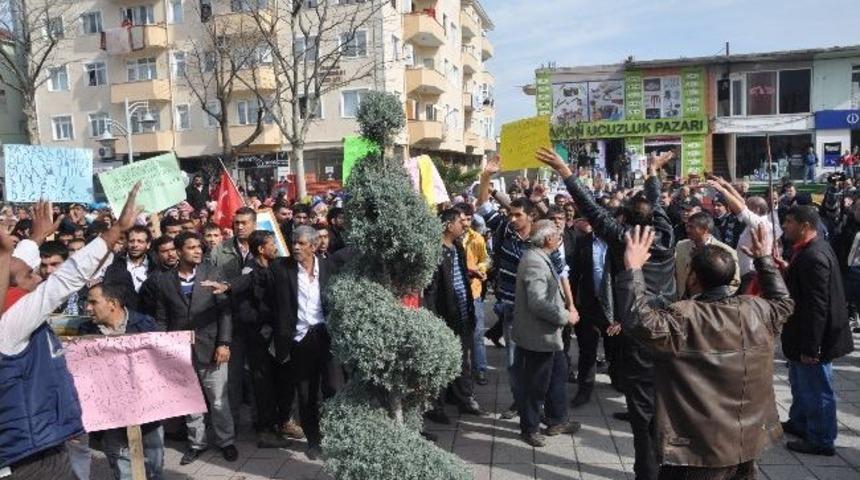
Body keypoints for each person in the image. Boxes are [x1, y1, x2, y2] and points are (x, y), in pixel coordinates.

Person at [537, 147, 677, 480]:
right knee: (661, 400)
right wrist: (653, 172)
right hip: (670, 326)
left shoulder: (624, 239)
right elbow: (656, 204)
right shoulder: (668, 234)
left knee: (644, 414)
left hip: (640, 327)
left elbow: (592, 208)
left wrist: (565, 171)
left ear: (625, 220)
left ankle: (648, 471)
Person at [617, 224, 794, 479]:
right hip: (745, 444)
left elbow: (637, 320)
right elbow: (783, 302)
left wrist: (633, 268)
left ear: (693, 278)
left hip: (699, 451)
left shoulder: (684, 317)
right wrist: (764, 260)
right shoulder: (758, 310)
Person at [0, 187, 140, 479]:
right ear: (12, 290)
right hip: (29, 458)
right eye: (31, 275)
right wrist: (117, 229)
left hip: (34, 444)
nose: (40, 275)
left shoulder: (9, 313)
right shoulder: (11, 324)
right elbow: (68, 276)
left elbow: (17, 267)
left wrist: (36, 237)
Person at [476, 156, 571, 420]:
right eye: (510, 214)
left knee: (542, 365)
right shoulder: (505, 230)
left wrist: (570, 305)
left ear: (531, 217)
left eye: (518, 215)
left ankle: (537, 407)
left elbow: (561, 273)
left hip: (540, 311)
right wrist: (486, 177)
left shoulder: (545, 239)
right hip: (510, 308)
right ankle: (521, 404)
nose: (513, 218)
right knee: (514, 364)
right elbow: (484, 205)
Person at [150, 231, 237, 465]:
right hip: (180, 350)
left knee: (218, 400)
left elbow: (225, 312)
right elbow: (161, 317)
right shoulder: (164, 280)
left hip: (211, 347)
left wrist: (224, 343)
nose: (198, 250)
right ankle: (197, 443)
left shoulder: (212, 273)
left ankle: (226, 441)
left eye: (199, 246)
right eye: (191, 247)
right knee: (190, 400)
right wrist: (164, 346)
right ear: (179, 252)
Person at [780, 206, 854, 456]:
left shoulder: (814, 255)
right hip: (801, 334)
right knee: (801, 382)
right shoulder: (808, 250)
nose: (784, 226)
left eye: (789, 222)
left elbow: (817, 306)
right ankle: (800, 422)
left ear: (805, 226)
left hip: (813, 338)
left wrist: (812, 347)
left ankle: (821, 438)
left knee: (817, 387)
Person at [262, 225, 340, 459]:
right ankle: (313, 440)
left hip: (325, 336)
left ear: (314, 246)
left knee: (334, 388)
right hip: (297, 340)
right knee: (306, 394)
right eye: (293, 242)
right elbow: (257, 286)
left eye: (301, 243)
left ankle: (336, 434)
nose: (295, 247)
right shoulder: (281, 268)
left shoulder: (329, 266)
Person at [80, 283, 165, 480]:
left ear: (113, 303)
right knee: (121, 463)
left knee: (154, 457)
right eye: (87, 302)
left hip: (148, 408)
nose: (87, 307)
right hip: (110, 412)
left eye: (93, 302)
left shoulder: (145, 324)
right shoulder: (84, 332)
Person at [512, 219, 581, 447]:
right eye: (558, 236)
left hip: (550, 336)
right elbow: (538, 303)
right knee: (535, 385)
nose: (560, 240)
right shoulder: (534, 262)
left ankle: (556, 420)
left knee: (557, 378)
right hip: (538, 337)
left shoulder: (541, 257)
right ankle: (529, 427)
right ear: (549, 239)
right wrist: (565, 316)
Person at [225, 230, 294, 449]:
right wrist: (268, 319)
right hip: (259, 339)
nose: (276, 247)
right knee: (263, 386)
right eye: (272, 244)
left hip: (278, 337)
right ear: (261, 249)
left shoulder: (276, 267)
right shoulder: (251, 271)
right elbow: (245, 310)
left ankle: (282, 422)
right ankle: (265, 431)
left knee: (282, 383)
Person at [424, 208, 484, 423]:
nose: (465, 224)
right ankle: (435, 406)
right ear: (449, 225)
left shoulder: (457, 246)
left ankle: (463, 398)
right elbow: (431, 290)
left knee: (462, 361)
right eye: (460, 221)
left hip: (462, 313)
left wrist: (471, 274)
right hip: (443, 317)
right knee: (441, 362)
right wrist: (433, 319)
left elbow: (458, 278)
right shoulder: (435, 251)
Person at [209, 207, 256, 424]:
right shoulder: (220, 251)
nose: (240, 226)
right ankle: (233, 422)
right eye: (237, 222)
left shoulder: (265, 247)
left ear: (254, 224)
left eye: (245, 222)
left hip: (259, 321)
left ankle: (263, 422)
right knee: (233, 376)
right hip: (232, 321)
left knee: (260, 374)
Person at [707, 177, 782, 292]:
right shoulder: (758, 220)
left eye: (749, 207)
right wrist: (727, 185)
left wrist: (723, 190)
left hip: (751, 275)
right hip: (745, 274)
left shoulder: (760, 223)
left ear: (756, 209)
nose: (744, 206)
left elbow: (741, 208)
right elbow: (741, 203)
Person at [460, 204, 491, 386]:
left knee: (477, 333)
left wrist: (481, 268)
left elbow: (486, 259)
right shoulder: (450, 239)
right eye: (462, 219)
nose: (465, 223)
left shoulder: (477, 238)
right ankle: (461, 371)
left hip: (474, 292)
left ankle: (480, 369)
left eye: (468, 219)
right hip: (456, 294)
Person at [675, 211, 739, 299]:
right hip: (683, 302)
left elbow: (734, 283)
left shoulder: (726, 251)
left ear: (705, 230)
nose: (687, 230)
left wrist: (718, 300)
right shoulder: (681, 246)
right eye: (687, 226)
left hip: (711, 306)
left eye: (691, 227)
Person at [102, 225, 156, 311]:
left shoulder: (156, 267)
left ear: (148, 244)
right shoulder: (114, 266)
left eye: (140, 241)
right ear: (126, 243)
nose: (135, 245)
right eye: (131, 241)